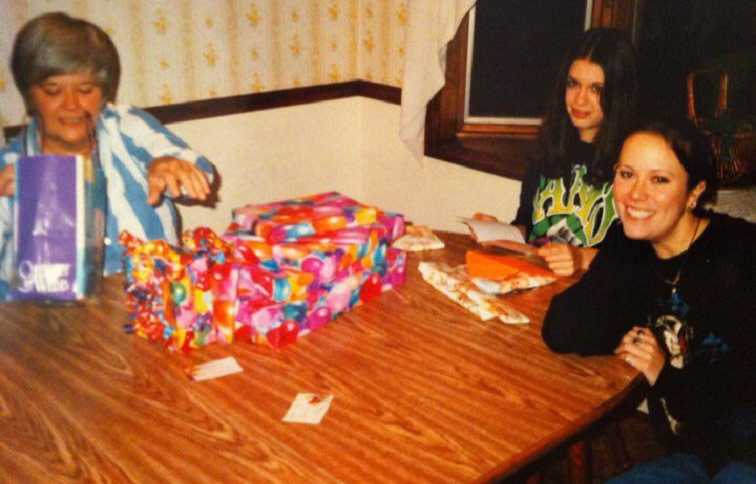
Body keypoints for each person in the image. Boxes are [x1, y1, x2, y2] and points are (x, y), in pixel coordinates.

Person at [542, 118, 756, 482]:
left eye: (659, 180)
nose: (635, 195)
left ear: (694, 192)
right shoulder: (632, 245)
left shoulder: (740, 255)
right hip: (693, 456)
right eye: (627, 174)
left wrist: (662, 371)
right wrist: (618, 267)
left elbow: (737, 399)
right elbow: (563, 331)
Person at [0, 12, 215, 299]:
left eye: (86, 89)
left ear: (103, 92)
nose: (72, 104)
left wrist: (172, 167)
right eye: (53, 91)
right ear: (30, 94)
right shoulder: (12, 166)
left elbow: (200, 173)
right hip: (57, 326)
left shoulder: (125, 127)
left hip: (155, 304)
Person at [474, 28, 638, 276]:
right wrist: (498, 234)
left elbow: (640, 259)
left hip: (593, 298)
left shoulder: (634, 163)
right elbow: (530, 228)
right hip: (534, 281)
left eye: (596, 89)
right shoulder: (548, 148)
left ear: (618, 95)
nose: (579, 100)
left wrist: (580, 257)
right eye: (573, 84)